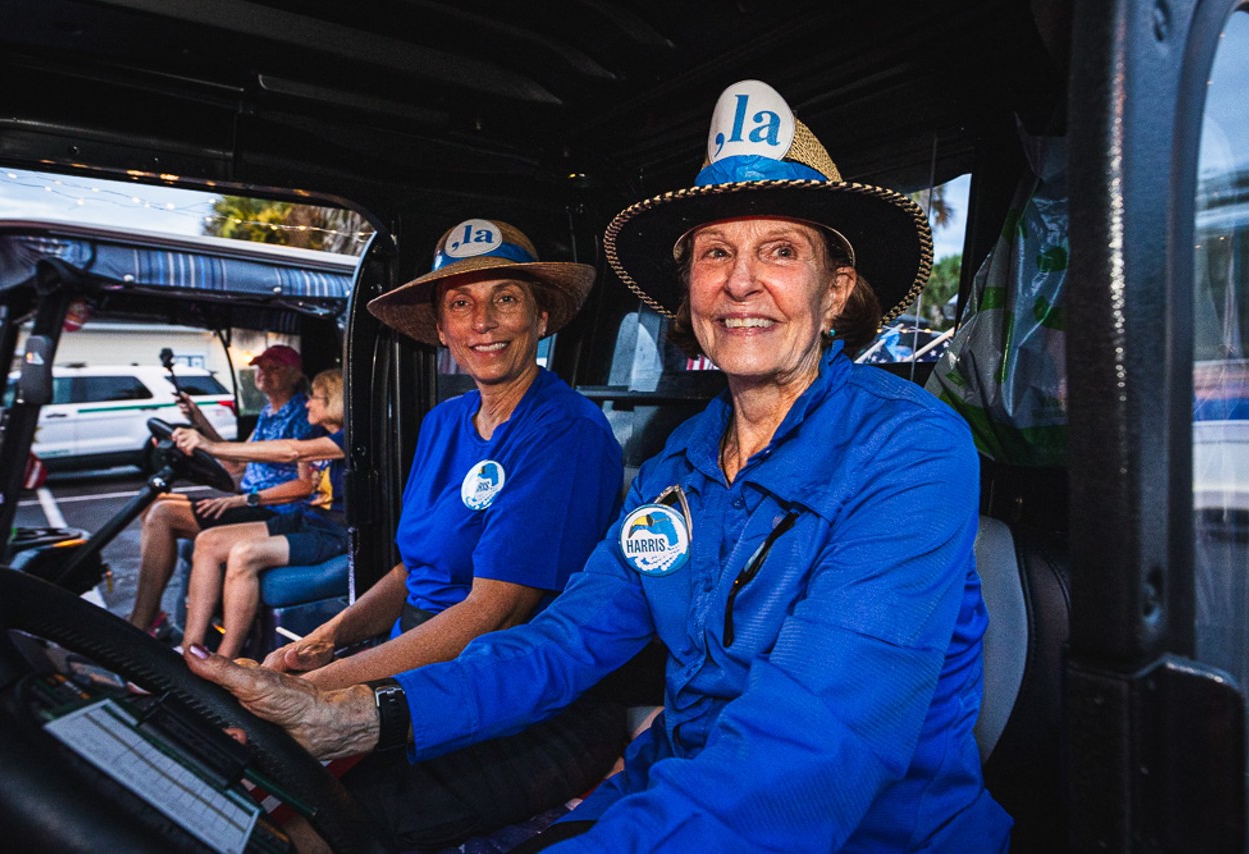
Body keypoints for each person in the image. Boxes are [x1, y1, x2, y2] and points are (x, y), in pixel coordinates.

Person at [189, 81, 1012, 852]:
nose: (741, 282)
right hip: (676, 788)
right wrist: (362, 714)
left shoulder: (908, 449)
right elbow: (563, 641)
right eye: (714, 252)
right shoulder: (677, 469)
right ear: (687, 291)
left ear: (835, 293)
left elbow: (815, 751)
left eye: (782, 250)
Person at [214, 217, 626, 847]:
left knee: (299, 832)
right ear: (442, 328)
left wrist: (312, 690)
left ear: (541, 318)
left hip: (512, 695)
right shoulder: (445, 422)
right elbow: (412, 570)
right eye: (460, 304)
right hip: (414, 663)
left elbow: (494, 612)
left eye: (504, 299)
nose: (481, 322)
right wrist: (327, 641)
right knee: (246, 786)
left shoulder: (566, 431)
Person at [127, 344, 321, 636]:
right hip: (248, 500)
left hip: (272, 508)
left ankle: (140, 625)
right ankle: (153, 614)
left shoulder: (303, 415)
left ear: (294, 374)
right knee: (152, 503)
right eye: (260, 368)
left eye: (274, 368)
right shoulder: (269, 412)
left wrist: (245, 499)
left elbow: (305, 484)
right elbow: (235, 462)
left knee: (164, 514)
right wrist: (198, 419)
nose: (263, 374)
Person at [171, 368, 347, 658]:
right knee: (207, 541)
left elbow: (293, 452)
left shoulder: (346, 439)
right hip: (305, 520)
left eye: (314, 398)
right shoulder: (321, 434)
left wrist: (212, 445)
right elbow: (252, 460)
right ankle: (191, 649)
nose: (307, 404)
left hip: (332, 533)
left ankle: (225, 661)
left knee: (244, 554)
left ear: (334, 402)